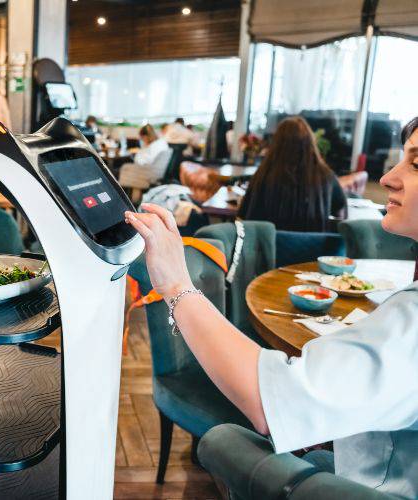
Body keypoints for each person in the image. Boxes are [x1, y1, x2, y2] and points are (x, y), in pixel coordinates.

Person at [123, 116, 418, 499]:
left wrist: (177, 284)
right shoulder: (327, 178)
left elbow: (272, 400)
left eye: (417, 163)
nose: (388, 178)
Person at [238, 116, 347, 232]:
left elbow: (245, 216)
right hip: (313, 248)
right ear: (310, 143)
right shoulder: (326, 176)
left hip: (271, 248)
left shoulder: (263, 174)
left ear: (277, 144)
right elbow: (341, 214)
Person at [118, 124, 171, 193]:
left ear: (145, 136)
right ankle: (134, 199)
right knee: (127, 167)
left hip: (150, 172)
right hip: (156, 171)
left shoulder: (155, 146)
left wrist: (138, 154)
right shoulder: (160, 143)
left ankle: (124, 194)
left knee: (125, 167)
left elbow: (144, 162)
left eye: (142, 138)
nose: (142, 140)